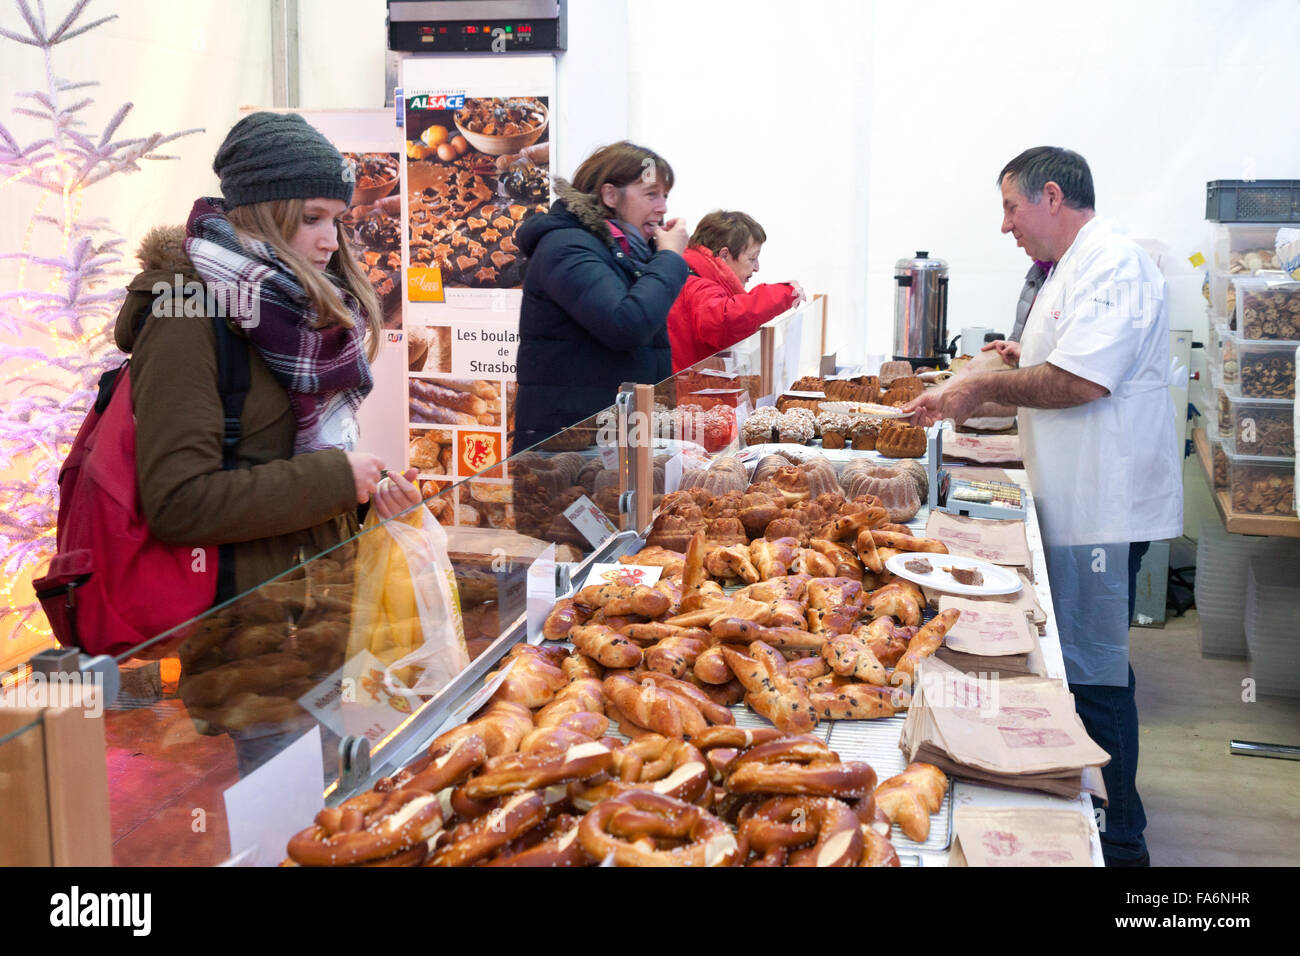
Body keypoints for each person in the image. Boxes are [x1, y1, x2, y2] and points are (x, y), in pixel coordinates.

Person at [115, 111, 421, 770]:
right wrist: (338, 480)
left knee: (351, 804)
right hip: (253, 643)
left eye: (336, 220)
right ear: (261, 210)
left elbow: (284, 457)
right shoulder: (186, 314)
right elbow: (180, 500)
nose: (329, 240)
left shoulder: (296, 310)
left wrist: (364, 497)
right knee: (294, 825)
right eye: (311, 218)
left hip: (324, 620)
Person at [905, 146, 1183, 866]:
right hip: (1072, 494)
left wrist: (981, 390)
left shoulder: (1115, 263)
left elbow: (1082, 382)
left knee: (1095, 673)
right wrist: (1008, 359)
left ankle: (1121, 842)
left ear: (1051, 197)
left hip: (1104, 505)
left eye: (1010, 208)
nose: (1005, 227)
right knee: (1085, 665)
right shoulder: (1073, 267)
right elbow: (1054, 356)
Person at [513, 141, 689, 447]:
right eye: (651, 194)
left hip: (612, 439)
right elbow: (626, 325)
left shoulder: (626, 251)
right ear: (610, 195)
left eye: (665, 196)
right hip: (570, 449)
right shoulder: (567, 247)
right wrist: (670, 259)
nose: (662, 208)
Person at [666, 210, 805, 372]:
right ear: (724, 255)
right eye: (752, 258)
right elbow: (725, 320)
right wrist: (784, 294)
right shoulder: (697, 285)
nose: (757, 267)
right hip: (682, 392)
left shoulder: (691, 276)